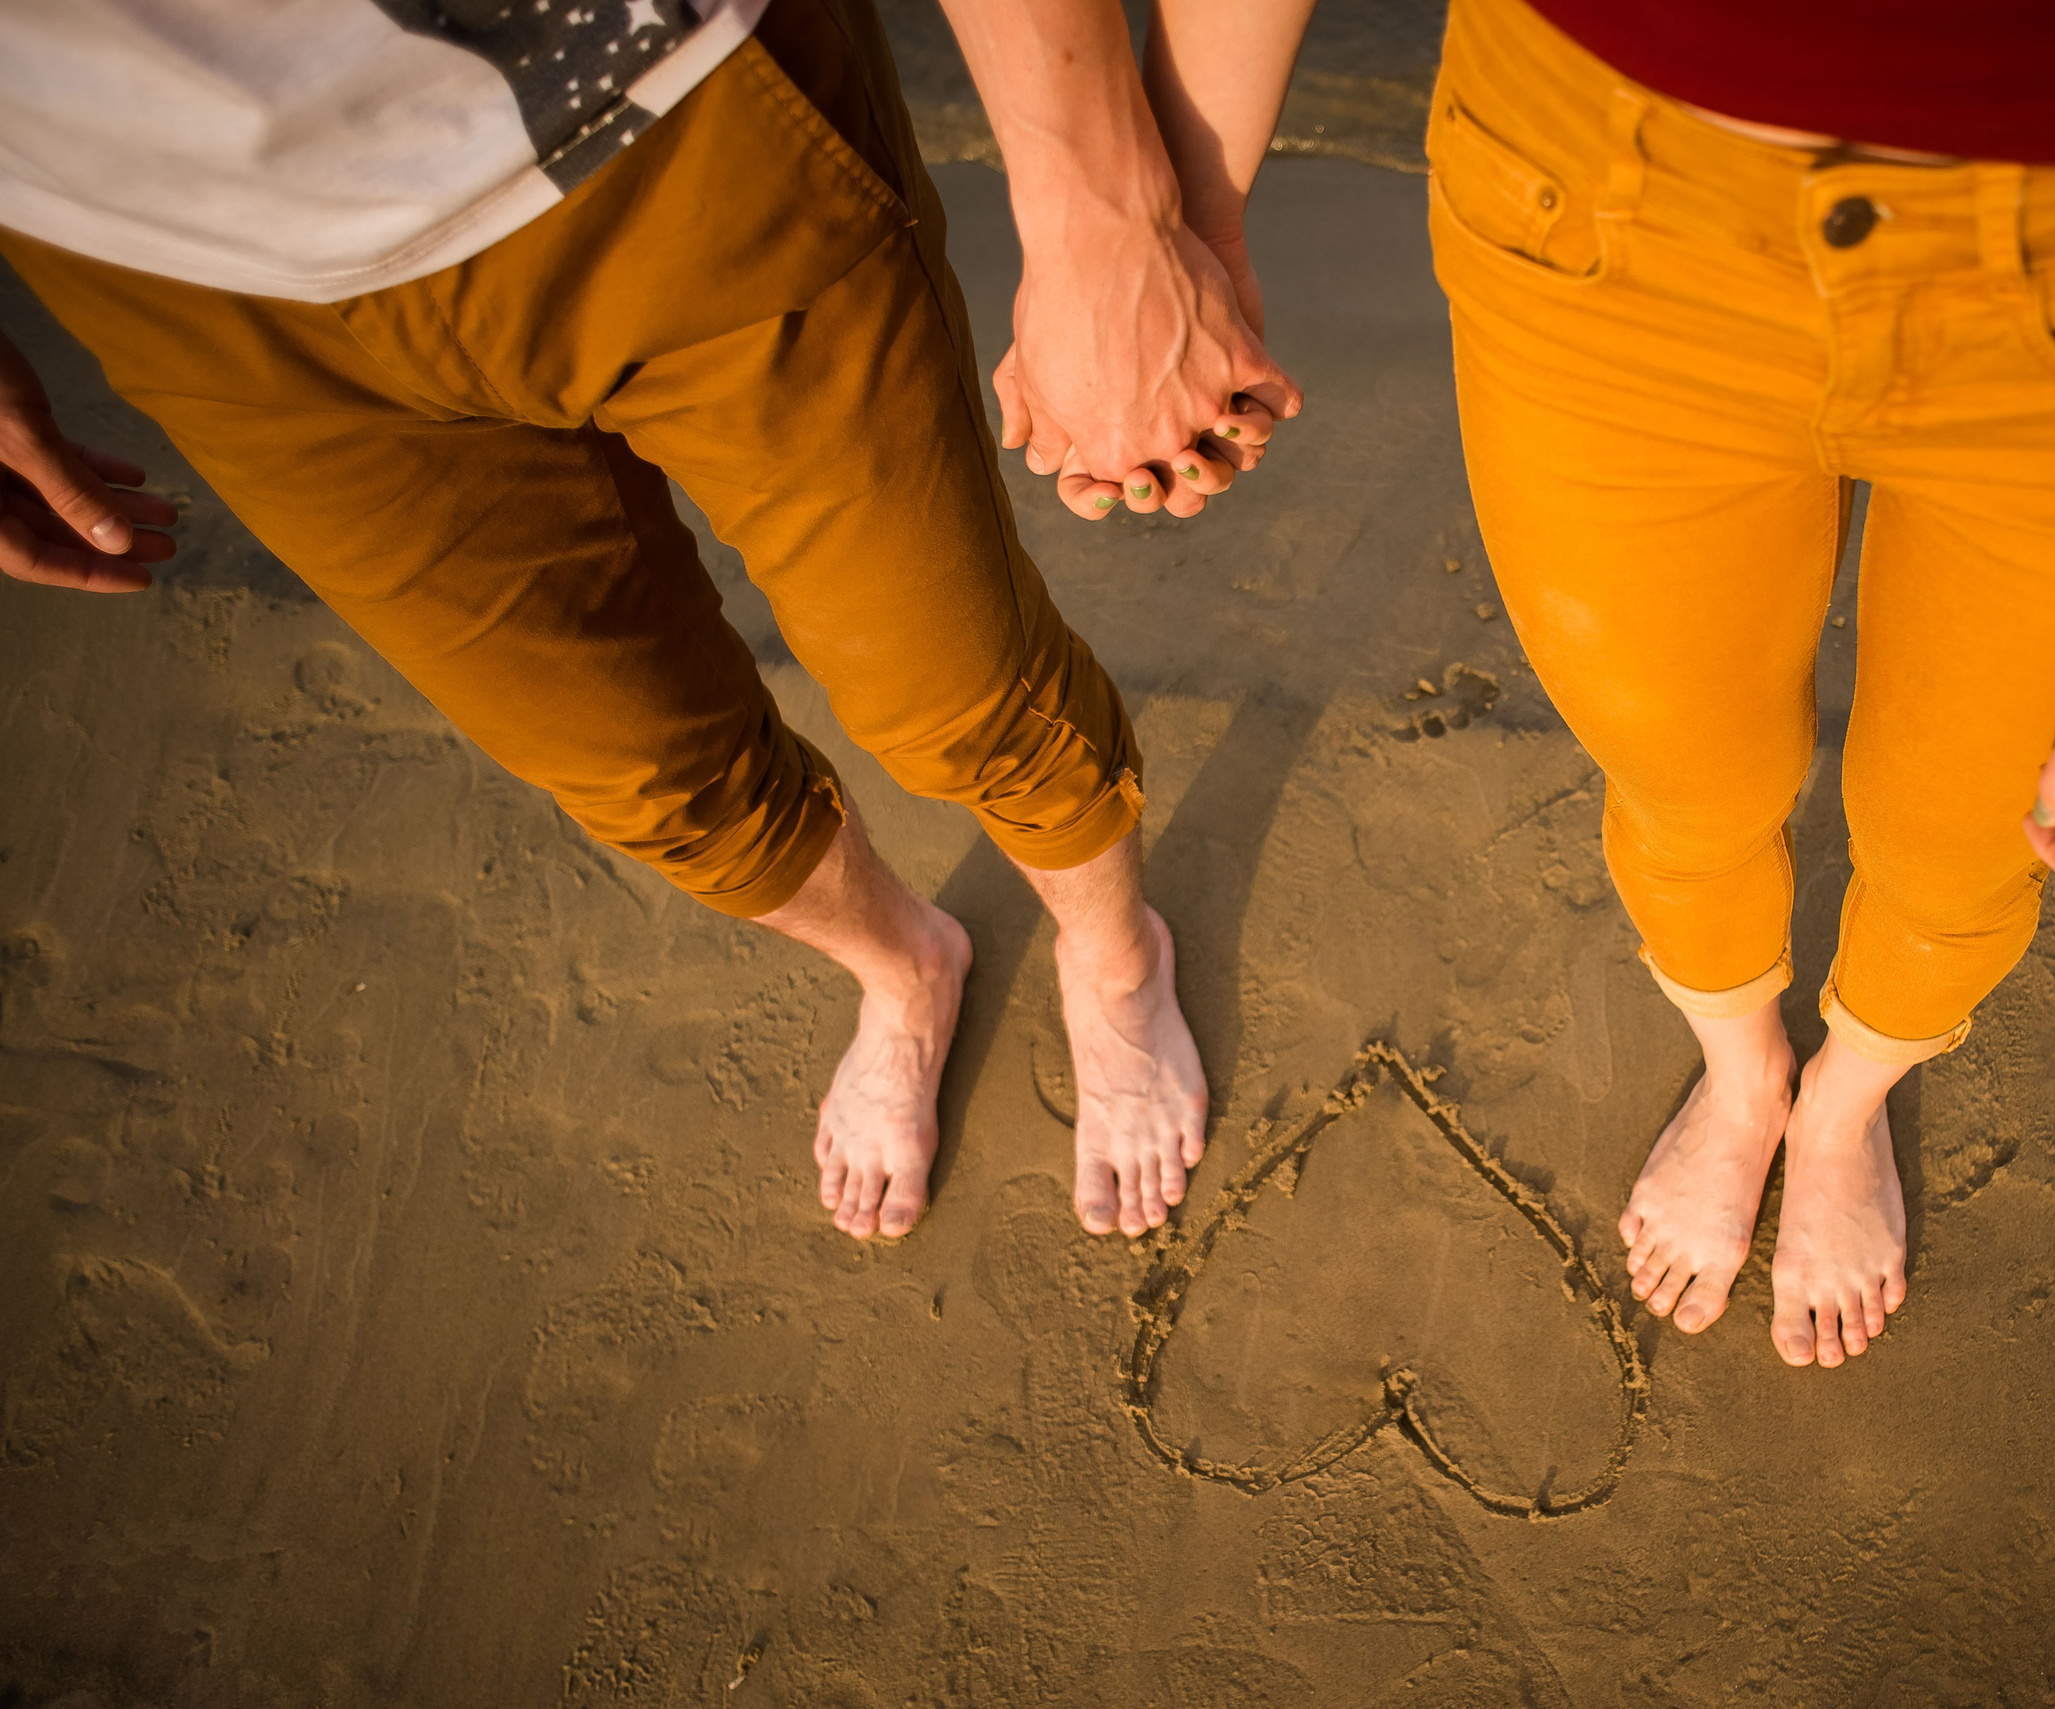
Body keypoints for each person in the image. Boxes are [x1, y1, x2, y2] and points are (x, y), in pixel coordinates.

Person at [1044, 0, 2055, 1368]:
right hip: (1602, 200)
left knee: (1982, 825)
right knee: (1681, 773)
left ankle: (1845, 1106)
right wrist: (1173, 218)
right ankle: (1747, 1070)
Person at [0, 0, 1301, 1243]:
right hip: (187, 286)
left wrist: (1102, 214)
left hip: (646, 109)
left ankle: (1117, 954)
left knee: (960, 690)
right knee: (658, 781)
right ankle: (906, 969)